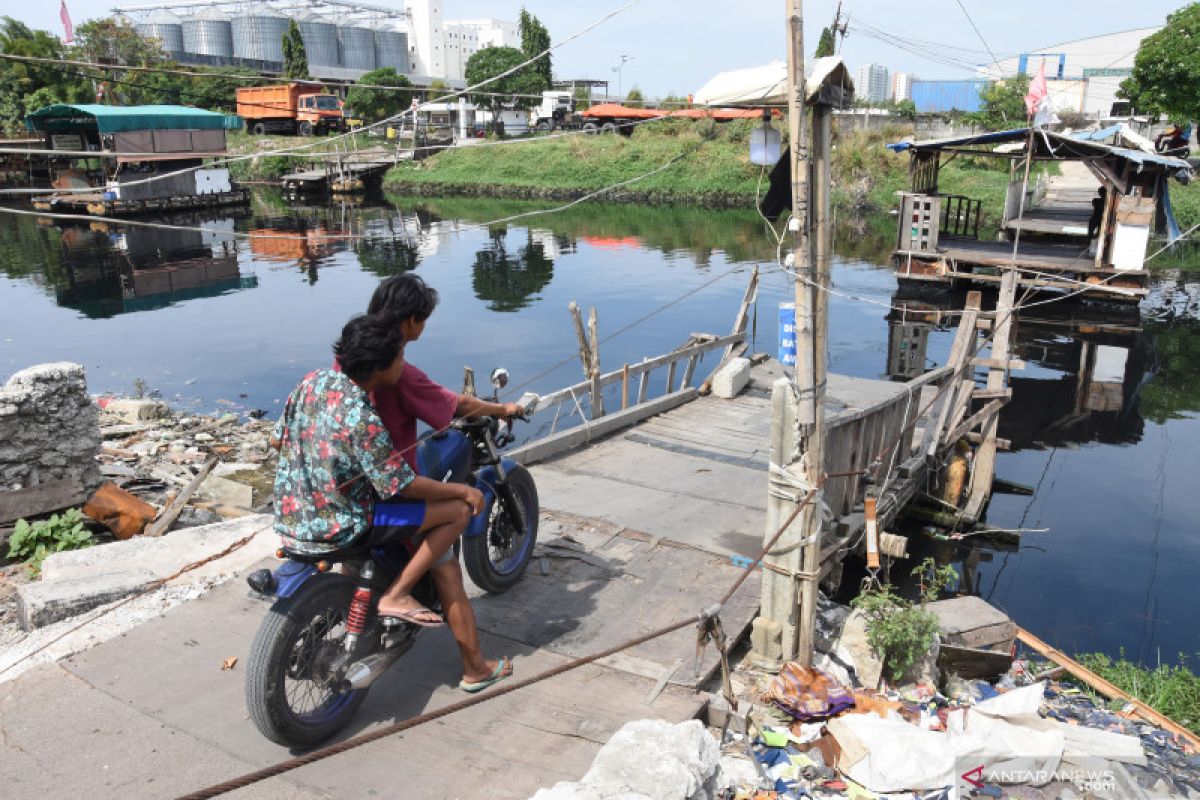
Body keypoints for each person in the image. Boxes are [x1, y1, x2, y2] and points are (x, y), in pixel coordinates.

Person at [273, 314, 485, 630]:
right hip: (342, 526)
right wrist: (463, 490)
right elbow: (404, 486)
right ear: (379, 368)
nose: (403, 363)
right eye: (399, 357)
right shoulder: (361, 415)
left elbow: (277, 439)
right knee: (457, 512)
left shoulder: (312, 381)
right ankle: (397, 594)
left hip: (290, 519)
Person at [361, 274, 519, 693]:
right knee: (448, 560)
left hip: (355, 484)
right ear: (411, 321)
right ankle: (475, 668)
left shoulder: (352, 358)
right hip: (390, 487)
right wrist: (502, 407)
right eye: (423, 320)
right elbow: (456, 405)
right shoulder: (398, 371)